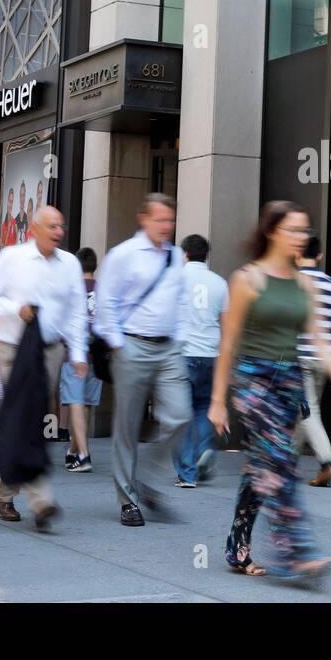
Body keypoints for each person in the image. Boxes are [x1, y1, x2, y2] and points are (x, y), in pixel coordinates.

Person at [207, 201, 331, 578]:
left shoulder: (305, 283)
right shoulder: (248, 279)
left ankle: (237, 548)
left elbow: (323, 345)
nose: (301, 237)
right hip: (253, 382)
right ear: (272, 232)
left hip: (289, 380)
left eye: (305, 230)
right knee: (282, 462)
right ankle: (295, 552)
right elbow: (228, 344)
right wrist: (218, 401)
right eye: (293, 230)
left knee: (262, 465)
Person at [0, 205, 88, 529]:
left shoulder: (69, 264)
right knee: (25, 417)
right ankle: (41, 501)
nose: (58, 232)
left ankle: (4, 493)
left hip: (50, 351)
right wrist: (16, 309)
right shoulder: (11, 258)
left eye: (61, 226)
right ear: (34, 230)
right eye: (52, 226)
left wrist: (79, 353)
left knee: (31, 420)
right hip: (13, 347)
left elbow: (77, 311)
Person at [93, 193, 191, 528]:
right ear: (144, 219)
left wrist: (181, 339)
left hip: (169, 348)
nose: (167, 226)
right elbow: (105, 303)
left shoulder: (175, 256)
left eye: (170, 220)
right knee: (127, 426)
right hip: (132, 344)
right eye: (161, 220)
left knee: (180, 415)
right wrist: (118, 344)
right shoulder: (123, 255)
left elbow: (180, 301)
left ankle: (147, 479)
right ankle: (128, 501)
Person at [172, 234, 228, 488]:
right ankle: (205, 448)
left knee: (180, 414)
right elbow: (225, 326)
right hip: (210, 354)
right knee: (205, 407)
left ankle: (187, 473)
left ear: (184, 254)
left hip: (182, 354)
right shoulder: (219, 283)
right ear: (206, 255)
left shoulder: (175, 280)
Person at [293, 234, 331, 488]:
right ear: (319, 256)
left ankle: (327, 464)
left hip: (298, 357)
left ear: (296, 254)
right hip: (323, 360)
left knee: (308, 412)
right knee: (304, 411)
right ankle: (286, 465)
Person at [63, 247, 102, 473]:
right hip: (95, 355)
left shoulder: (72, 290)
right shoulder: (103, 290)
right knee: (85, 404)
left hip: (74, 354)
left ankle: (83, 454)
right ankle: (73, 451)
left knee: (75, 402)